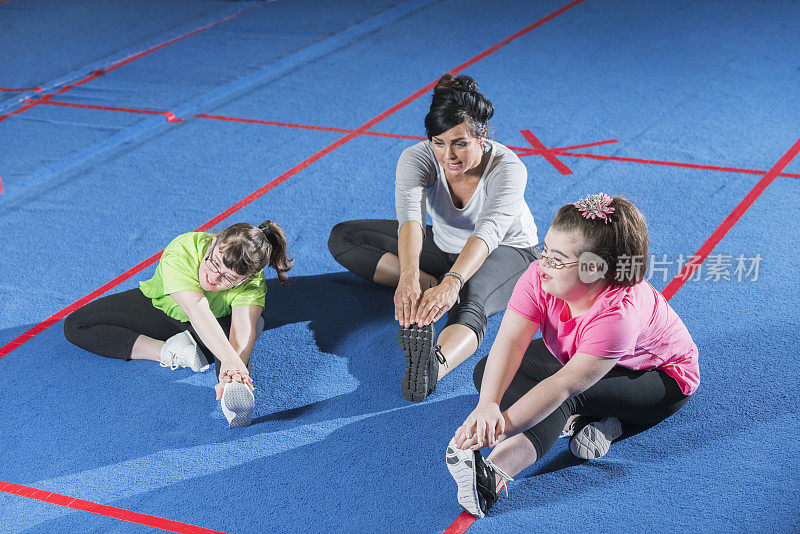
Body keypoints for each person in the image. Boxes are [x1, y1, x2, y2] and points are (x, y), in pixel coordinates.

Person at [445, 194, 700, 517]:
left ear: (594, 269)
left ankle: (492, 476)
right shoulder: (539, 275)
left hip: (660, 380)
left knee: (562, 398)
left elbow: (563, 386)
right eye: (545, 250)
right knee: (486, 373)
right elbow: (509, 342)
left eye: (557, 259)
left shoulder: (619, 316)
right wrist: (487, 407)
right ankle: (598, 419)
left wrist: (493, 432)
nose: (543, 264)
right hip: (588, 360)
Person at [328, 74, 538, 402]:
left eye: (460, 143)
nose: (448, 156)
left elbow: (488, 233)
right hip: (444, 245)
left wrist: (453, 280)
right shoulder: (418, 158)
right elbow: (410, 222)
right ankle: (431, 286)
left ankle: (433, 366)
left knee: (470, 299)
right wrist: (409, 279)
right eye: (438, 143)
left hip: (508, 251)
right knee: (346, 237)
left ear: (481, 135)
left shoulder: (508, 168)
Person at [64, 221, 292, 427]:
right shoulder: (184, 249)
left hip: (214, 323)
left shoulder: (254, 283)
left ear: (246, 279)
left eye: (228, 279)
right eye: (214, 264)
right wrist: (232, 361)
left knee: (247, 332)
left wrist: (234, 371)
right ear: (213, 243)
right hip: (163, 308)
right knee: (77, 324)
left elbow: (242, 326)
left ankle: (235, 391)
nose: (213, 277)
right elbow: (196, 310)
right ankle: (171, 351)